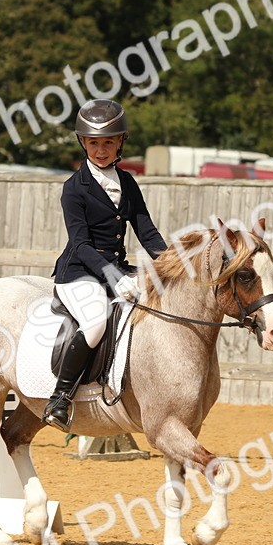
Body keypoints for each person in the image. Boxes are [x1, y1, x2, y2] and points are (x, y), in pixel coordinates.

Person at [43, 99, 167, 431]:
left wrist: (171, 266)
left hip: (118, 270)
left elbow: (148, 232)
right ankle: (60, 398)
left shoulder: (127, 183)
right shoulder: (74, 189)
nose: (101, 150)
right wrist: (113, 275)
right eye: (94, 143)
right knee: (96, 322)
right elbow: (80, 244)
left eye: (108, 142)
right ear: (83, 143)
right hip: (79, 273)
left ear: (120, 142)